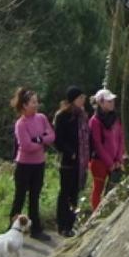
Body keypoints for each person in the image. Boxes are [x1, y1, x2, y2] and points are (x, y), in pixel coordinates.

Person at [9, 87, 55, 242]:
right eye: (33, 102)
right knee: (20, 197)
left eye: (37, 102)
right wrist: (41, 142)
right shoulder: (21, 124)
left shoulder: (41, 118)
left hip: (39, 164)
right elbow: (26, 146)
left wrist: (38, 140)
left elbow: (51, 135)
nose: (36, 105)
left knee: (35, 197)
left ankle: (36, 229)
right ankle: (12, 228)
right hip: (24, 165)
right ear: (24, 105)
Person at [52, 85, 90, 238]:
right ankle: (62, 224)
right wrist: (71, 152)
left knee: (75, 193)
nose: (83, 100)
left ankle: (71, 223)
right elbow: (58, 140)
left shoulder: (83, 115)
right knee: (65, 192)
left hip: (81, 162)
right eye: (80, 97)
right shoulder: (63, 116)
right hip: (68, 161)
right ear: (73, 99)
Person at [88, 88, 126, 212]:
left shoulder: (115, 118)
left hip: (115, 161)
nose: (112, 103)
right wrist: (110, 163)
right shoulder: (94, 121)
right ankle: (96, 215)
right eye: (109, 101)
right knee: (98, 189)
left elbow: (120, 138)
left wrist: (118, 159)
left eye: (112, 100)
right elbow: (97, 144)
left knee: (114, 189)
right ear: (101, 103)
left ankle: (110, 212)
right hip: (99, 162)